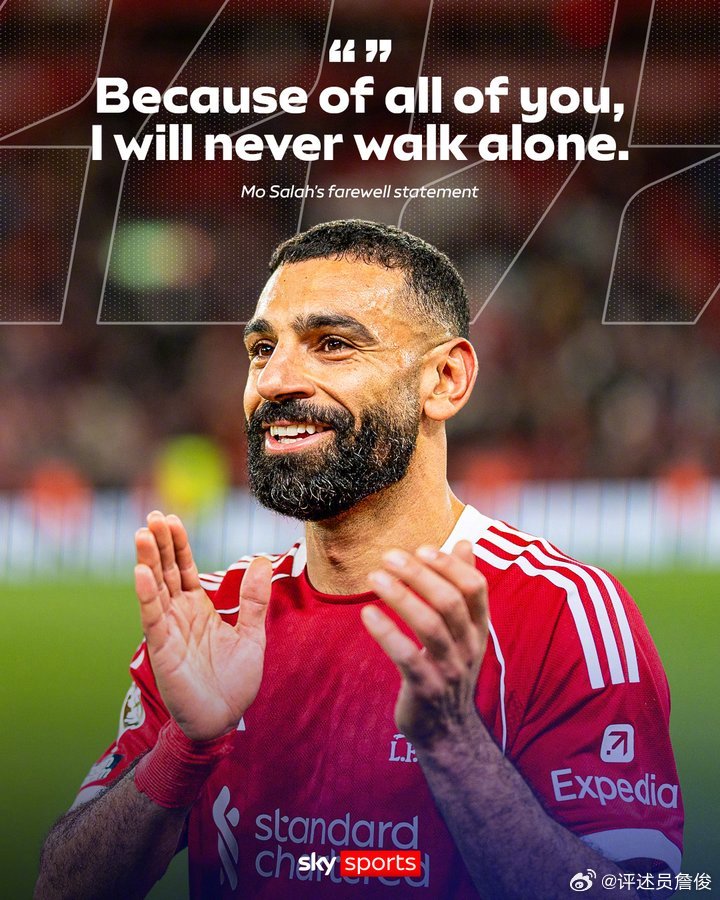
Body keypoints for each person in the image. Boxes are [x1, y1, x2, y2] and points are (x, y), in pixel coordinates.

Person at [36, 220, 683, 899]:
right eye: (262, 349)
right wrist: (185, 750)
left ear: (445, 379)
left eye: (333, 344)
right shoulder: (214, 619)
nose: (275, 380)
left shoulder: (563, 613)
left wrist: (454, 746)